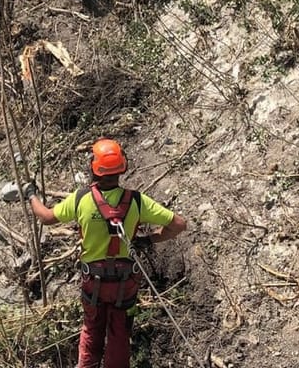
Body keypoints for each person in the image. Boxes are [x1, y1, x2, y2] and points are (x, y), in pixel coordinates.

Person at [27, 138, 187, 368]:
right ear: (123, 166)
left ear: (94, 167)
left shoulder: (82, 198)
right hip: (125, 281)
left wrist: (31, 194)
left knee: (92, 329)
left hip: (93, 281)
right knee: (120, 334)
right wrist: (147, 240)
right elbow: (179, 225)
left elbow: (46, 217)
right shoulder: (136, 201)